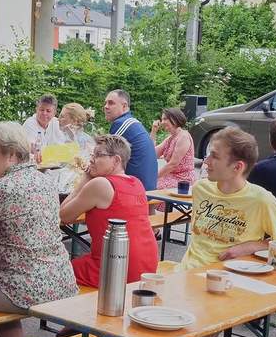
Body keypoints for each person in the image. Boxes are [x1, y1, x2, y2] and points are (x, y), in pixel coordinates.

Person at [0, 122, 78, 337]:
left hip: (23, 289)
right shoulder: (45, 182)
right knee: (2, 280)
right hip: (61, 282)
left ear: (13, 155)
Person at [178, 127, 276, 271]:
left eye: (215, 156)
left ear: (237, 167)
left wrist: (250, 247)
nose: (206, 161)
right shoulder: (200, 189)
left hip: (229, 277)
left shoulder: (262, 200)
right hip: (187, 272)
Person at [60, 134, 158, 287]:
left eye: (99, 155)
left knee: (55, 274)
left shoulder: (101, 184)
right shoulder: (136, 182)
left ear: (117, 160)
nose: (92, 159)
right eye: (92, 154)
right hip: (147, 266)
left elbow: (63, 216)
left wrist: (85, 178)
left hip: (116, 267)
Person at [103, 89, 158, 191]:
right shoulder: (132, 122)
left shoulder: (121, 123)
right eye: (105, 103)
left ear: (124, 106)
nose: (106, 106)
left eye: (111, 103)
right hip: (148, 187)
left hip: (137, 189)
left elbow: (104, 156)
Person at [150, 108, 195, 191]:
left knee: (152, 186)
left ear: (174, 119)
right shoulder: (170, 138)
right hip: (171, 176)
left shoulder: (183, 136)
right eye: (162, 119)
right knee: (145, 184)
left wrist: (153, 177)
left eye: (165, 119)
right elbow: (151, 154)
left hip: (183, 179)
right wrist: (154, 131)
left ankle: (155, 204)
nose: (162, 122)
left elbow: (173, 164)